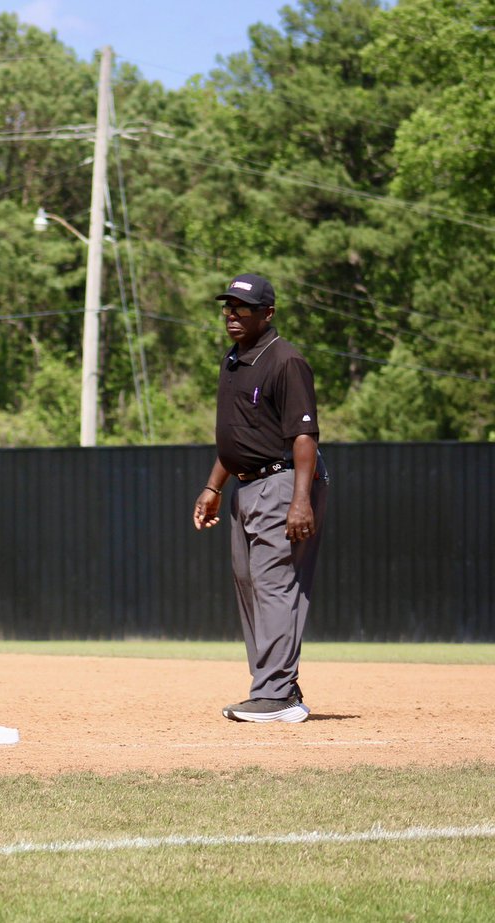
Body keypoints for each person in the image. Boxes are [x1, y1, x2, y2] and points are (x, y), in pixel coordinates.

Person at [192, 273, 329, 723]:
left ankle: (273, 694)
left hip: (284, 481)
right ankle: (280, 689)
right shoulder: (234, 359)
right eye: (227, 306)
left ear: (267, 313)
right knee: (251, 586)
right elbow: (237, 436)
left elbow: (303, 436)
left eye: (243, 307)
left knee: (275, 585)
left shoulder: (286, 361)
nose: (232, 314)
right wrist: (214, 486)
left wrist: (301, 500)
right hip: (245, 484)